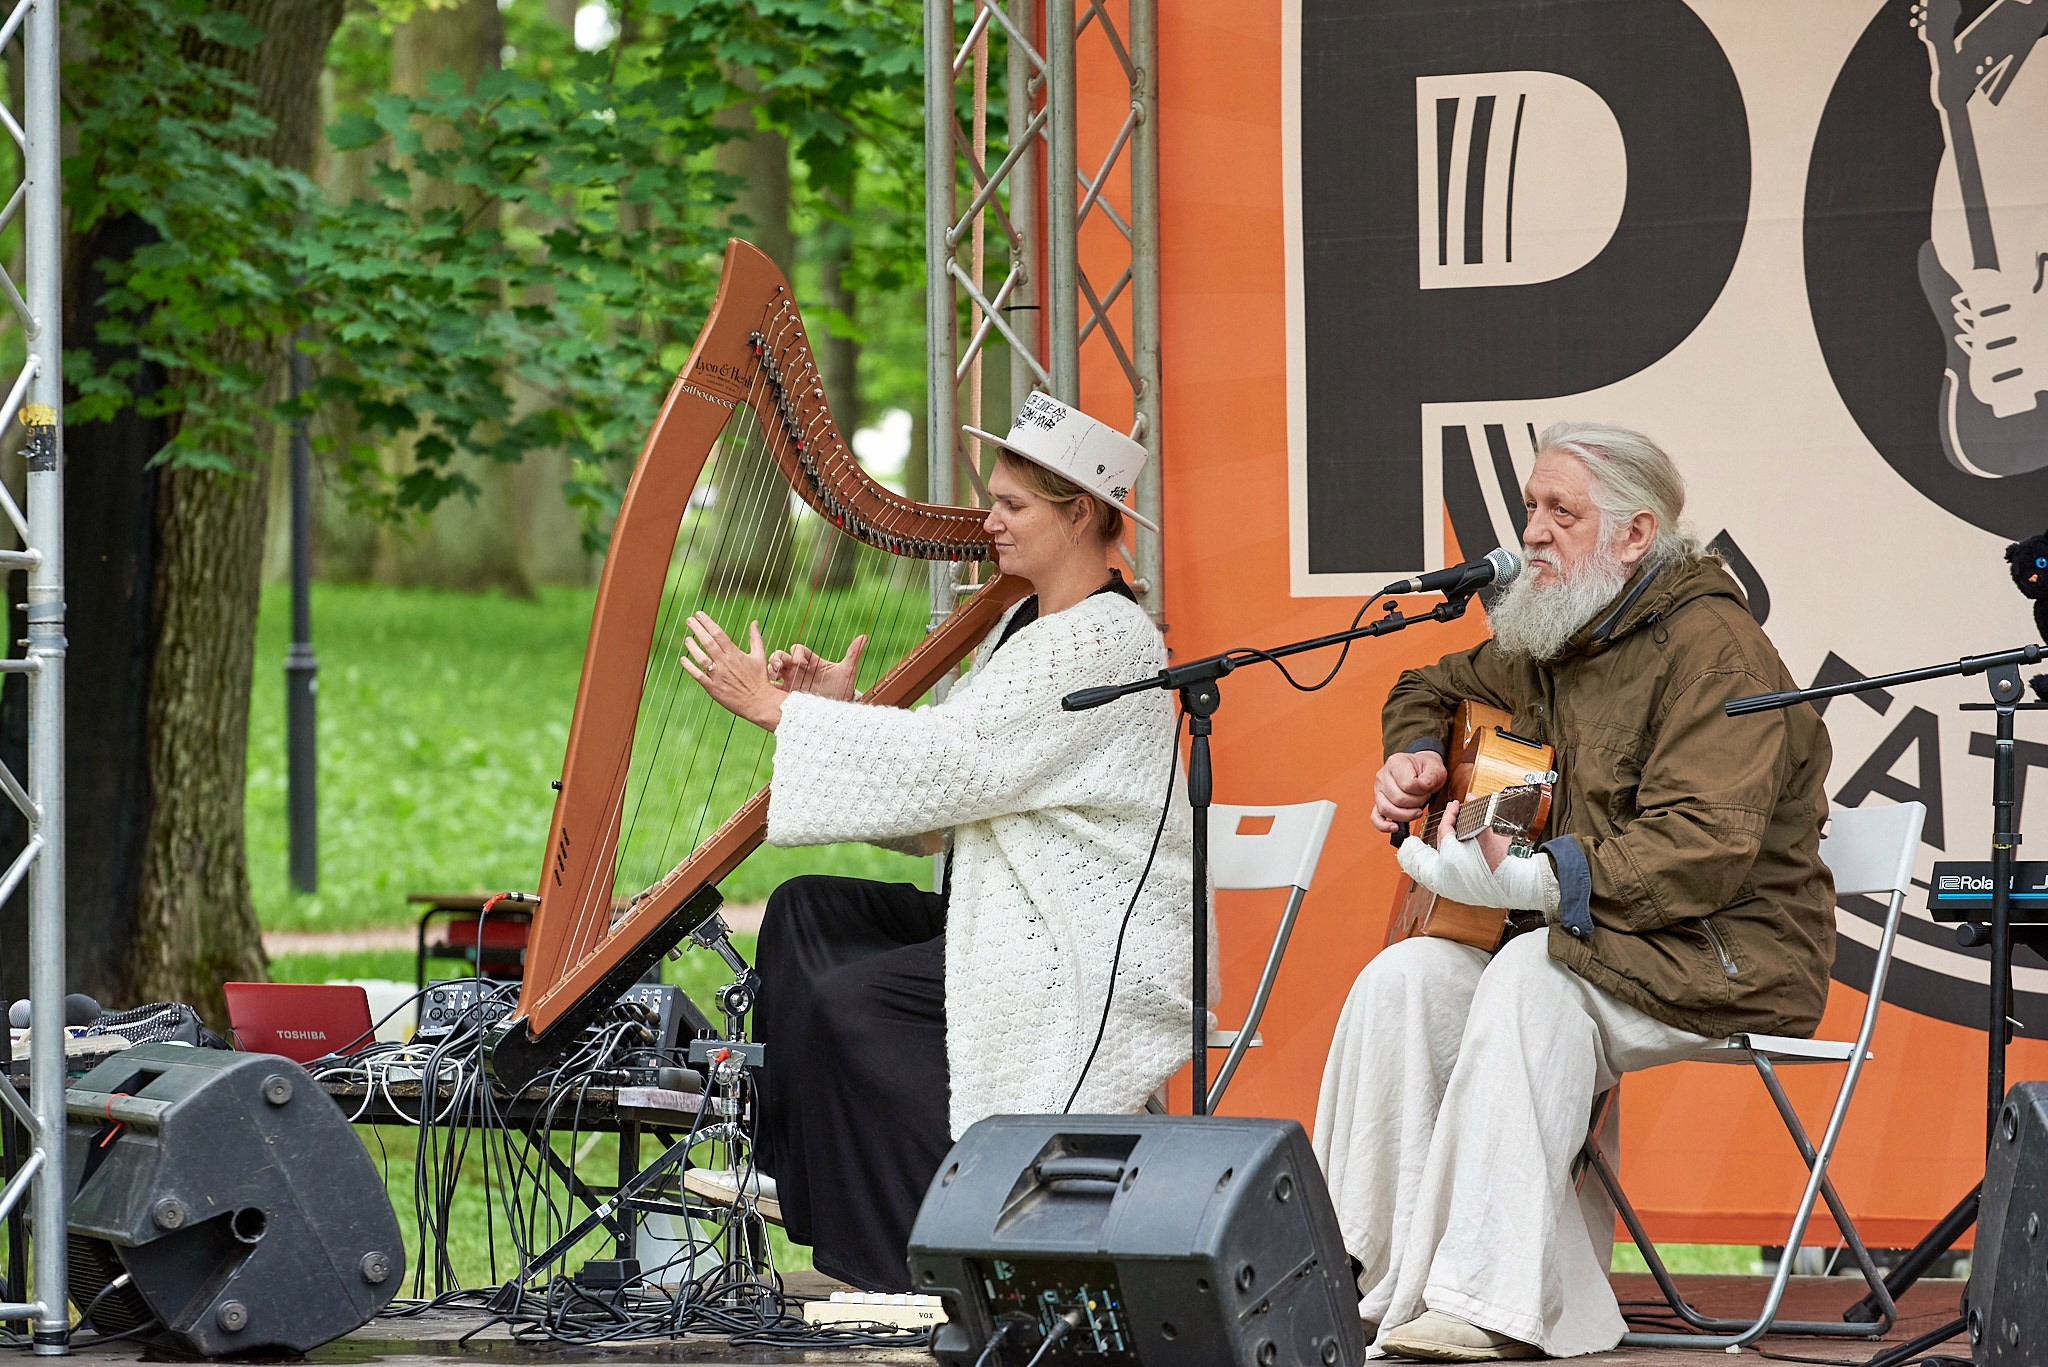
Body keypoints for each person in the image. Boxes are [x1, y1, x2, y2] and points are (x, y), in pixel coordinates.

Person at [1313, 422, 1834, 1360]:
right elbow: (1426, 682)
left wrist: (1547, 877)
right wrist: (1418, 754)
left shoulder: (1717, 649)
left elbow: (1703, 847)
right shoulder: (1562, 634)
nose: (1534, 532)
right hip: (1606, 938)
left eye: (1563, 510)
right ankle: (1360, 1274)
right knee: (1411, 976)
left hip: (1729, 951)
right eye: (1529, 507)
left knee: (1532, 976)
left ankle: (1489, 1300)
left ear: (1636, 535)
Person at [682, 391, 1197, 1292]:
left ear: (1079, 514)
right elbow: (946, 805)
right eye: (993, 499)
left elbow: (955, 758)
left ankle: (915, 1266)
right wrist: (837, 714)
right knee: (808, 911)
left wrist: (782, 711)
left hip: (1072, 939)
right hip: (998, 900)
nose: (987, 521)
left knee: (855, 1002)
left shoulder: (1104, 640)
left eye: (1012, 505)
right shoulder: (1026, 626)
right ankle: (796, 1172)